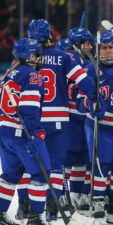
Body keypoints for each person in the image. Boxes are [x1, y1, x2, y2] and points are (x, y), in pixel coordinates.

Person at [27, 19, 97, 221]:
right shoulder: (63, 57)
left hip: (33, 120)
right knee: (57, 166)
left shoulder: (26, 56)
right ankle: (53, 209)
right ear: (50, 35)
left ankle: (32, 211)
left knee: (34, 168)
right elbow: (84, 82)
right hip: (58, 120)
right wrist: (96, 98)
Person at [76, 30, 113, 223]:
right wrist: (90, 106)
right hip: (102, 125)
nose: (108, 52)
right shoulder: (91, 68)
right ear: (98, 50)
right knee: (102, 162)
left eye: (111, 47)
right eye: (104, 48)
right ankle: (98, 199)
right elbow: (78, 99)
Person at [0, 38, 49, 225]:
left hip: (5, 132)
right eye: (36, 54)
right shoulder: (32, 75)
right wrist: (38, 133)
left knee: (10, 175)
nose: (38, 58)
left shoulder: (8, 74)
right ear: (28, 55)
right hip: (22, 133)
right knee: (40, 172)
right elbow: (29, 109)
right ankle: (36, 217)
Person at [65, 26, 95, 214]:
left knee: (84, 158)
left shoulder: (86, 60)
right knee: (70, 157)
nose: (89, 46)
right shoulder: (70, 59)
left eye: (90, 43)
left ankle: (78, 193)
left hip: (86, 116)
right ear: (76, 44)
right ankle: (63, 193)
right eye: (85, 43)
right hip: (71, 114)